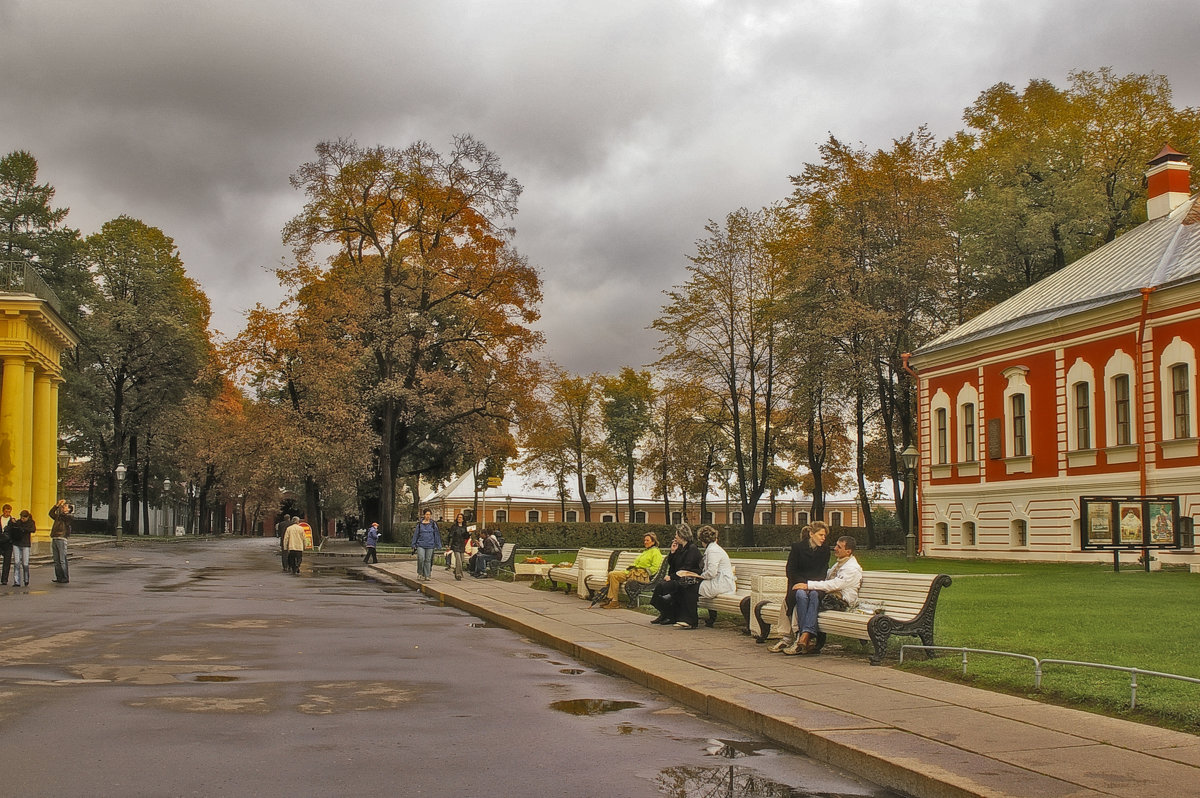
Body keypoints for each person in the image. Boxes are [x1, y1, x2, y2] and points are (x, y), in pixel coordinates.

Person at [782, 534, 862, 656]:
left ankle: (802, 637)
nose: (835, 548)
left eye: (839, 547)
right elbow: (826, 577)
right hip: (831, 598)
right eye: (836, 545)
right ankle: (804, 637)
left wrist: (807, 585)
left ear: (848, 551)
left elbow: (834, 585)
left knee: (808, 597)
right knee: (805, 596)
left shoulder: (851, 568)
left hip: (841, 602)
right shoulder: (840, 563)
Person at [769, 522, 831, 653]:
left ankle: (802, 637)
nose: (823, 538)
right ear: (811, 534)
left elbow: (822, 573)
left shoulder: (825, 551)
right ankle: (804, 636)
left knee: (813, 595)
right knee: (800, 595)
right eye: (820, 535)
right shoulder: (797, 548)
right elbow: (791, 570)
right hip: (797, 585)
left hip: (815, 586)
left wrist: (810, 585)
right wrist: (802, 584)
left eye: (824, 535)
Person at [649, 524, 703, 629]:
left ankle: (669, 614)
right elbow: (673, 565)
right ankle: (667, 613)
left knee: (662, 587)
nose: (675, 537)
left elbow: (687, 568)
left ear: (682, 535)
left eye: (676, 534)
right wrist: (673, 552)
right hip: (678, 578)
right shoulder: (680, 548)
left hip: (686, 580)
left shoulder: (692, 549)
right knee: (659, 589)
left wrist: (672, 577)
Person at [599, 532, 664, 609]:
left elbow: (655, 568)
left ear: (653, 542)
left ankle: (613, 601)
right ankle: (613, 600)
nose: (645, 542)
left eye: (647, 540)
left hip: (639, 575)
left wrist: (644, 571)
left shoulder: (655, 552)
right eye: (644, 540)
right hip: (631, 572)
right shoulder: (646, 551)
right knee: (612, 574)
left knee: (614, 575)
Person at [696, 525, 736, 600]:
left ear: (702, 540)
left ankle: (689, 611)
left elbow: (711, 572)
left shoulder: (713, 551)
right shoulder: (713, 548)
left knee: (691, 587)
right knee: (692, 585)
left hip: (721, 585)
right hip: (721, 582)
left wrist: (701, 576)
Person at [411, 509, 442, 581]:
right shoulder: (420, 524)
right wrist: (413, 544)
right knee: (421, 558)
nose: (428, 516)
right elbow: (416, 534)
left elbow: (436, 534)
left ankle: (427, 575)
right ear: (424, 515)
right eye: (426, 514)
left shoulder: (433, 524)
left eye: (429, 514)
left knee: (428, 560)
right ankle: (420, 572)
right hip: (420, 544)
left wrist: (438, 544)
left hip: (430, 544)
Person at [49, 498, 74, 584]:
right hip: (55, 537)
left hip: (62, 537)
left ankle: (65, 577)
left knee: (62, 559)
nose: (63, 507)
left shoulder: (68, 517)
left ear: (69, 509)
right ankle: (59, 577)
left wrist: (61, 508)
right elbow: (51, 513)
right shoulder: (58, 516)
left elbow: (64, 516)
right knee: (56, 560)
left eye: (65, 506)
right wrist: (57, 505)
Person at [9, 510, 34, 587]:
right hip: (16, 543)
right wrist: (13, 523)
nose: (22, 519)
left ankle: (26, 579)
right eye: (21, 517)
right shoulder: (18, 522)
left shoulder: (31, 523)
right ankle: (17, 581)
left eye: (24, 518)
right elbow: (11, 528)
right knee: (16, 563)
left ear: (27, 517)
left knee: (25, 563)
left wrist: (23, 529)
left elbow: (33, 530)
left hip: (25, 544)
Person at [446, 513, 471, 581]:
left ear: (463, 519)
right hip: (455, 545)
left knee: (462, 560)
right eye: (458, 517)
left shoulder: (465, 527)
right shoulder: (454, 527)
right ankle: (458, 574)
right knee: (458, 560)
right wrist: (448, 544)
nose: (459, 519)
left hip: (462, 545)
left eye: (460, 517)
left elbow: (466, 537)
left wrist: (469, 533)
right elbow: (450, 535)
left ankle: (456, 570)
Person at [0, 504, 14, 586]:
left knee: (7, 562)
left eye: (9, 512)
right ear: (3, 511)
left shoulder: (12, 521)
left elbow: (15, 532)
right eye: (6, 511)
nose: (7, 513)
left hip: (8, 543)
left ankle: (4, 579)